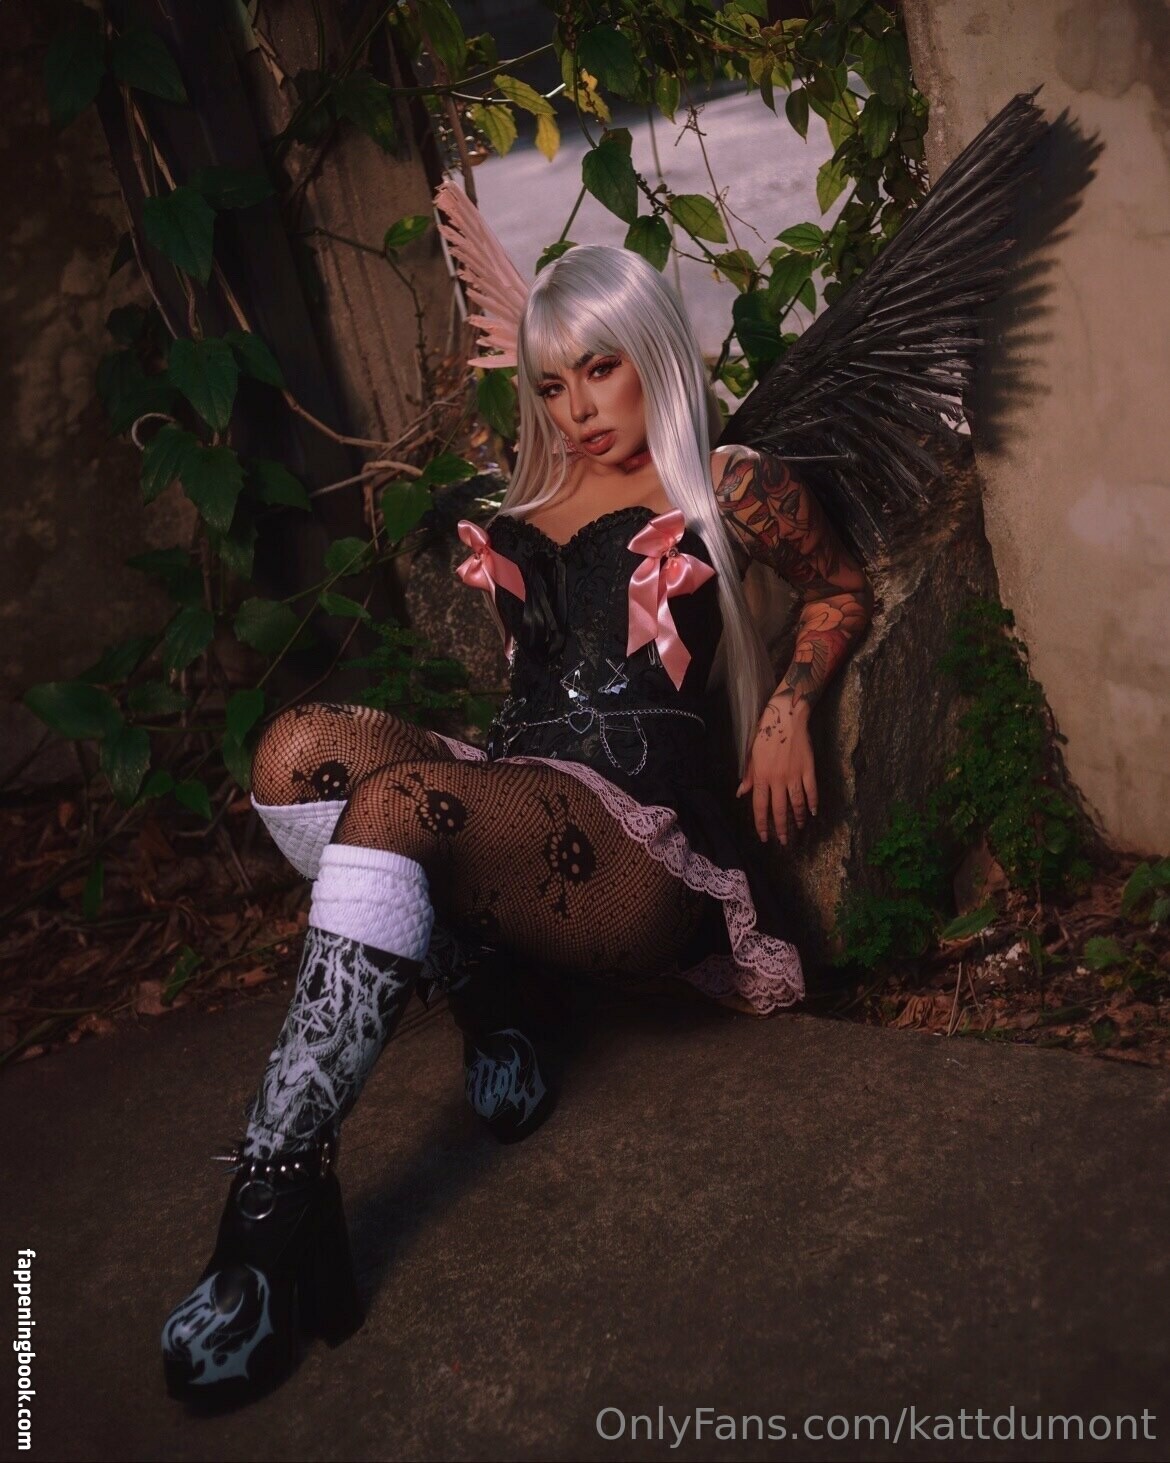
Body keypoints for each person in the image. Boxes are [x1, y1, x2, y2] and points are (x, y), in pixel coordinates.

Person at [161, 85, 1050, 1402]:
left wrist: (790, 704)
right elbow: (563, 393)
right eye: (551, 382)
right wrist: (545, 320)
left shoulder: (724, 481)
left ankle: (269, 1223)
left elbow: (839, 587)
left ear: (653, 356)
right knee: (298, 748)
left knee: (398, 807)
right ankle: (497, 999)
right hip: (516, 796)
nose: (578, 408)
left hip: (635, 852)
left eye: (602, 370)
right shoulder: (537, 485)